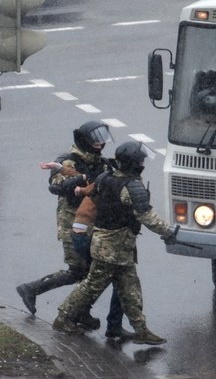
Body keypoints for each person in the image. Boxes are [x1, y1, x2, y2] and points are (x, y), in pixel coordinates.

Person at [52, 141, 176, 345]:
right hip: (112, 249)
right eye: (141, 160)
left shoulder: (105, 178)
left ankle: (141, 330)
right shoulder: (131, 187)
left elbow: (92, 192)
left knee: (130, 289)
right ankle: (63, 319)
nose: (143, 163)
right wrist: (169, 232)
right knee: (91, 286)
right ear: (135, 164)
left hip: (112, 246)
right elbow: (147, 217)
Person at [16, 121, 114, 330]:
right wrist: (79, 179)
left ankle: (81, 312)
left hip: (93, 223)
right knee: (78, 271)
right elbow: (56, 186)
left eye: (102, 139)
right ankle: (31, 289)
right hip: (72, 224)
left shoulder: (101, 163)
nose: (99, 144)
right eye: (95, 139)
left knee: (90, 271)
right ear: (84, 139)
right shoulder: (68, 161)